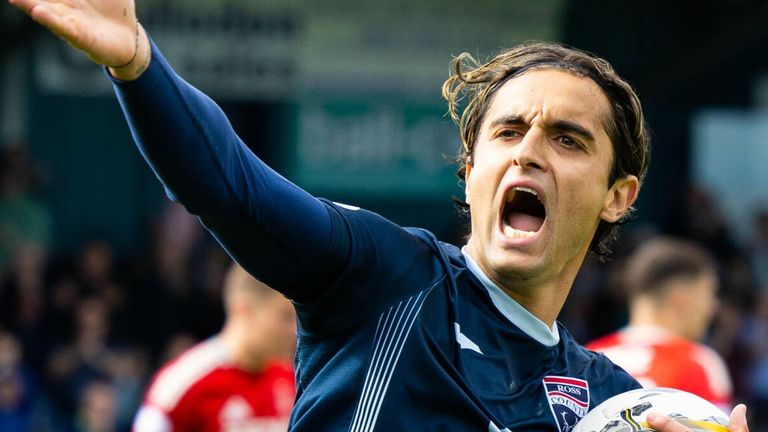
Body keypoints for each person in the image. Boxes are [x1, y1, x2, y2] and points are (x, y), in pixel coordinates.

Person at [7, 0, 750, 430]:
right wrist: (137, 64)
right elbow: (229, 186)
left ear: (619, 194)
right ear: (470, 173)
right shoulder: (384, 275)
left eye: (567, 139)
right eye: (507, 130)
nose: (529, 153)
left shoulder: (611, 405)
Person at [131, 263, 296, 432]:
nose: (294, 331)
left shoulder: (293, 379)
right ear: (245, 310)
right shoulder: (181, 384)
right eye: (285, 317)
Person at [586, 237, 733, 411]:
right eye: (708, 295)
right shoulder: (699, 365)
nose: (713, 308)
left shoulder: (586, 359)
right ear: (681, 298)